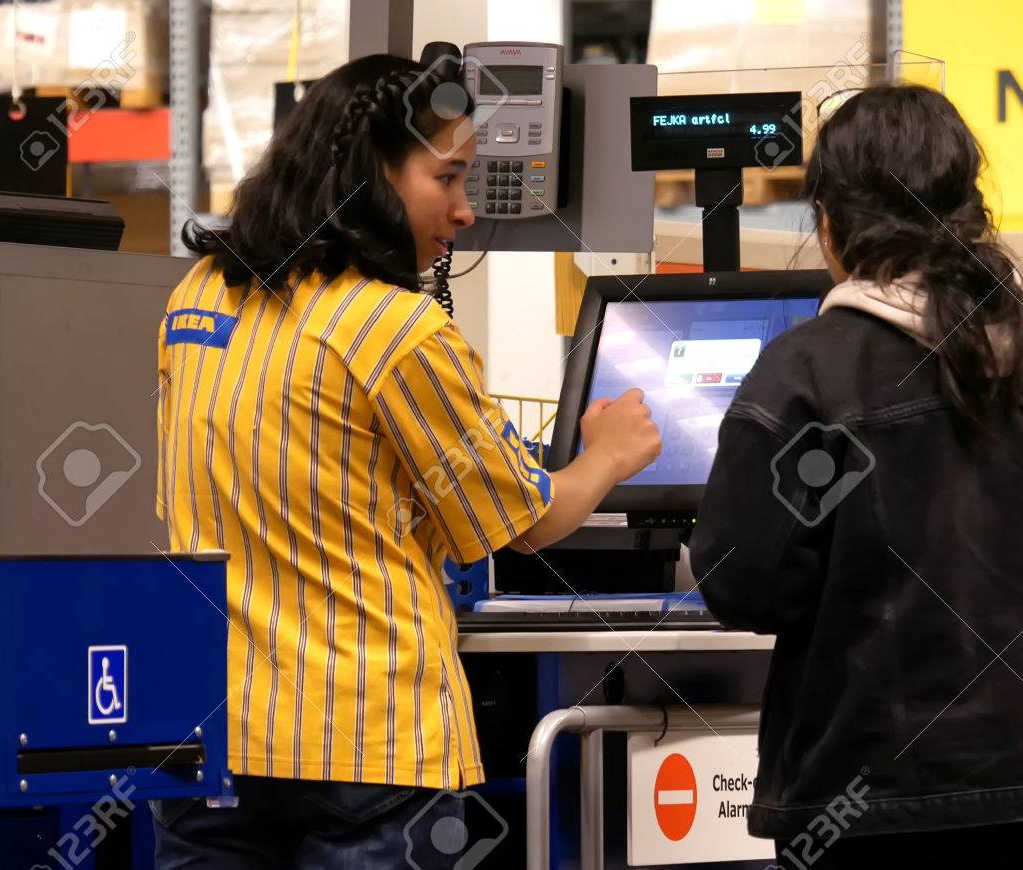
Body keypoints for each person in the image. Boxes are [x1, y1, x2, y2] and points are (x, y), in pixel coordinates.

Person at [153, 53, 660, 868]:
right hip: (366, 745)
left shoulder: (201, 296)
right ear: (372, 175)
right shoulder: (398, 329)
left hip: (212, 730)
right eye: (447, 178)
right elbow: (526, 521)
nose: (464, 210)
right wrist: (609, 454)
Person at [689, 85, 1023, 867]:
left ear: (831, 224)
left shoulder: (809, 377)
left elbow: (743, 582)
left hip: (859, 804)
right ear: (972, 209)